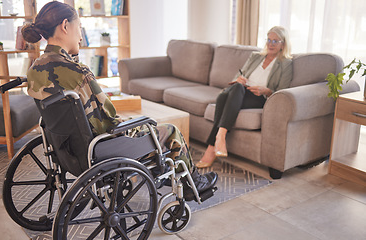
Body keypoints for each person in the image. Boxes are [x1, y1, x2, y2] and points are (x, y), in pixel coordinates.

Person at [22, 1, 217, 200]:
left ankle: (170, 173)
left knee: (149, 128)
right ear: (65, 26)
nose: (81, 35)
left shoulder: (35, 69)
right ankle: (194, 184)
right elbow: (109, 122)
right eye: (79, 27)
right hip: (101, 149)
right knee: (170, 131)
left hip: (67, 148)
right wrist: (139, 123)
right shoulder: (78, 72)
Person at [196, 26, 293, 168]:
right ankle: (219, 139)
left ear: (283, 44)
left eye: (275, 41)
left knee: (223, 97)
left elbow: (282, 91)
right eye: (269, 39)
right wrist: (239, 80)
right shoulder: (256, 56)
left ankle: (216, 143)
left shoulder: (285, 63)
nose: (271, 44)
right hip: (241, 92)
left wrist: (266, 91)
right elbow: (239, 75)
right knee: (230, 92)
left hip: (260, 98)